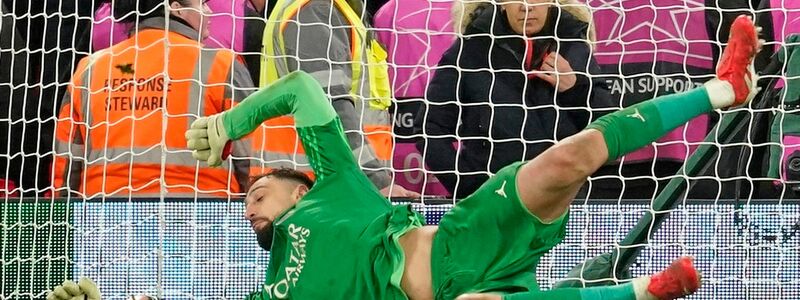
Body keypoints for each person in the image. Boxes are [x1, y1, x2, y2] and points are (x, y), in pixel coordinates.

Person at [49, 14, 760, 300]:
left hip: (462, 236)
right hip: (442, 297)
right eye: (245, 194)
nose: (248, 193)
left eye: (261, 184)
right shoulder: (267, 294)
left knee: (566, 159)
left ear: (301, 186)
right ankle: (640, 292)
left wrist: (233, 120)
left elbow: (297, 89)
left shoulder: (335, 184)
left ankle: (720, 88)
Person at [51, 0, 254, 198]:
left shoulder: (89, 69)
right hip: (203, 219)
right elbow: (252, 157)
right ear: (177, 9)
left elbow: (65, 169)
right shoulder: (223, 65)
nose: (209, 11)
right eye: (201, 4)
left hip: (104, 219)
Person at [415, 0, 615, 198]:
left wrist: (575, 88)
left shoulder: (573, 45)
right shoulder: (470, 49)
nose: (526, 7)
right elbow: (429, 128)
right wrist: (471, 189)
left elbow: (607, 128)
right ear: (501, 3)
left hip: (564, 201)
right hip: (494, 206)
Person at [253, 0, 419, 198]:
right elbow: (332, 108)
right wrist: (374, 181)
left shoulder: (330, 9)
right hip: (322, 186)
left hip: (310, 185)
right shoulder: (317, 11)